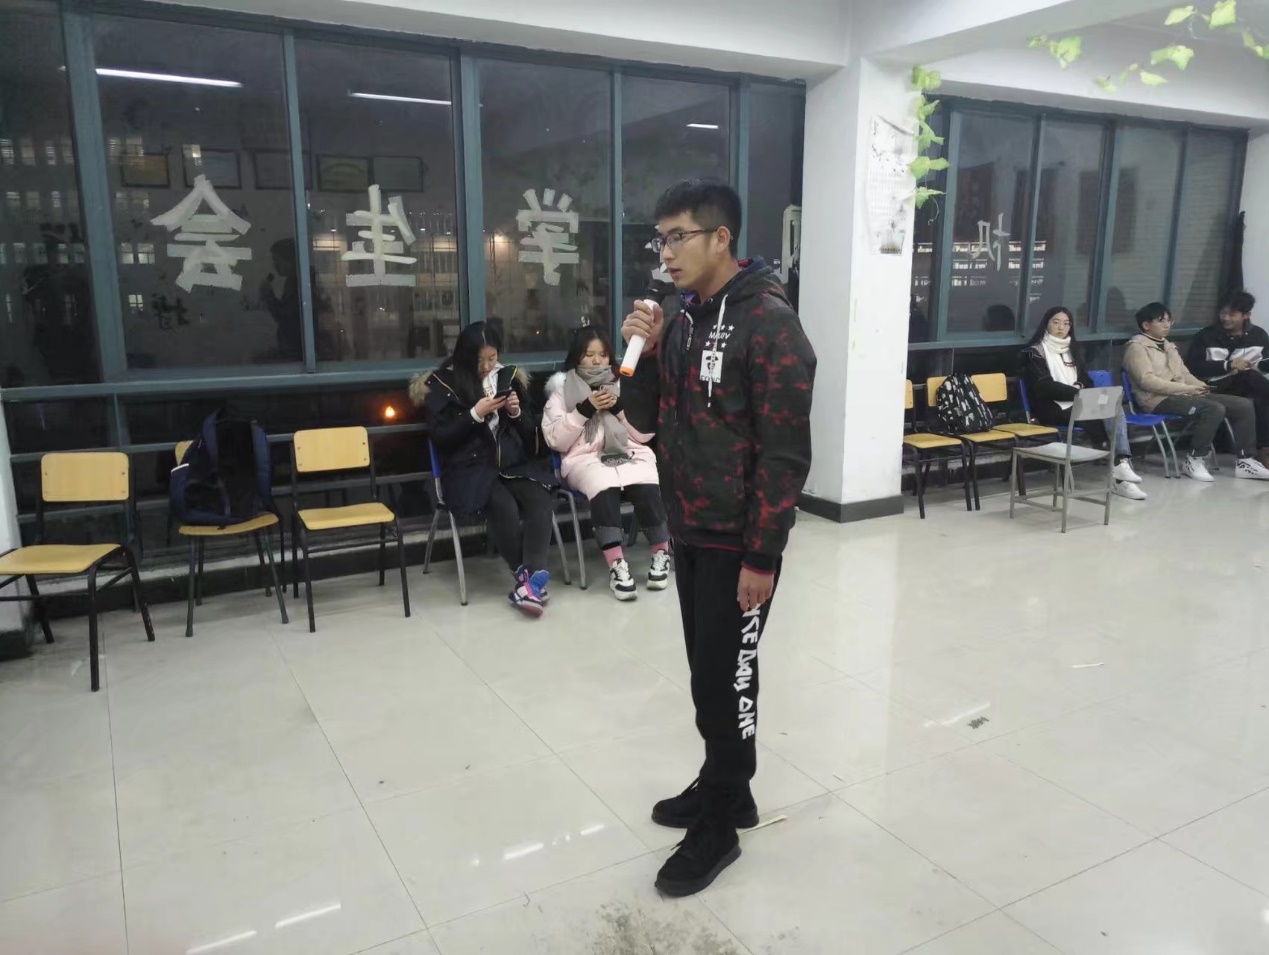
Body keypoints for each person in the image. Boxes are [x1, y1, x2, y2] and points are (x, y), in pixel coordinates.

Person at [620, 180, 816, 897]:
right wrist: (641, 353)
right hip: (691, 526)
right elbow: (645, 420)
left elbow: (784, 454)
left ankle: (721, 824)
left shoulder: (771, 326)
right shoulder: (681, 322)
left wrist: (763, 553)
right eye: (660, 239)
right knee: (710, 672)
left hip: (740, 539)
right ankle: (728, 787)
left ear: (720, 238)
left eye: (678, 237)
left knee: (724, 676)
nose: (666, 253)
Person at [409, 321, 559, 616]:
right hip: (468, 469)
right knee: (503, 506)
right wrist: (475, 414)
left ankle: (528, 583)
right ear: (465, 357)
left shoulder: (507, 377)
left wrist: (516, 412)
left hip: (511, 463)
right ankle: (527, 581)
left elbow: (531, 434)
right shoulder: (443, 384)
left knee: (539, 499)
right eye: (480, 360)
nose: (487, 367)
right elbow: (441, 436)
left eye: (492, 358)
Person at [542, 327, 672, 601]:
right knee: (603, 484)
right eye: (589, 354)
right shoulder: (561, 392)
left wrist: (620, 409)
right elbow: (556, 440)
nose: (596, 360)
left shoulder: (623, 384)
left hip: (628, 450)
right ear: (577, 357)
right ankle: (617, 564)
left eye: (602, 355)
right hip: (583, 458)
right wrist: (584, 410)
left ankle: (661, 552)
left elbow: (643, 435)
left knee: (646, 480)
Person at [1123, 302, 1269, 482]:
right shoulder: (1136, 347)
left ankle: (1246, 460)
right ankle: (1194, 459)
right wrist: (1187, 389)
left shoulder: (1167, 345)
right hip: (1156, 399)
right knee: (1212, 408)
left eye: (1169, 321)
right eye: (1161, 321)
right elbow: (1147, 381)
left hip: (1183, 394)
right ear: (1146, 325)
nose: (1167, 325)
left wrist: (1201, 386)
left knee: (1243, 405)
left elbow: (1184, 373)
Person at [1020, 306, 1147, 501]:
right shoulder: (1034, 352)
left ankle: (1121, 465)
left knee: (1112, 406)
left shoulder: (1073, 350)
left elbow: (1086, 380)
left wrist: (1080, 388)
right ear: (1046, 324)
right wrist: (1078, 393)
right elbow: (1043, 386)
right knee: (1108, 417)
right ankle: (1121, 472)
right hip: (1051, 407)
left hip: (1077, 403)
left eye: (1066, 323)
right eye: (1056, 322)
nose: (1061, 327)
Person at [1185, 290, 1269, 468]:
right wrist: (1228, 365)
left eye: (1232, 314)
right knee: (1253, 381)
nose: (1225, 318)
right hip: (1212, 386)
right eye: (1223, 313)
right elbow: (1193, 367)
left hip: (1247, 386)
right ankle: (1263, 450)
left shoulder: (1259, 336)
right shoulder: (1206, 336)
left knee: (1260, 396)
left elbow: (1263, 365)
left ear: (1246, 315)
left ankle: (1262, 449)